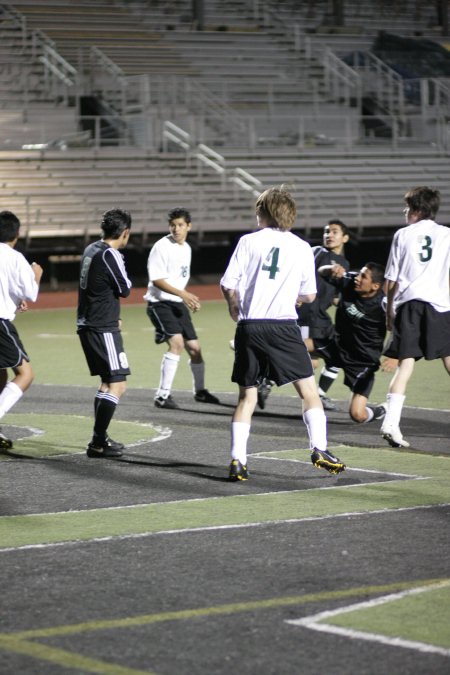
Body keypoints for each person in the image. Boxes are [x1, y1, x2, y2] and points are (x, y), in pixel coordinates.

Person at [220, 186, 346, 481]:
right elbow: (310, 296)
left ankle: (238, 461)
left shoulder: (248, 241)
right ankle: (320, 448)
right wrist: (293, 298)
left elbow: (228, 283)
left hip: (250, 327)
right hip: (284, 326)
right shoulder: (302, 247)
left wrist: (233, 306)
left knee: (246, 397)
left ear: (263, 212)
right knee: (308, 391)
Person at [381, 186, 450, 448]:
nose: (405, 211)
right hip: (439, 306)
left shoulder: (402, 235)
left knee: (405, 366)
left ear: (418, 210)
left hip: (409, 305)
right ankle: (390, 424)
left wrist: (389, 313)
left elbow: (391, 280)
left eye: (408, 207)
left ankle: (390, 423)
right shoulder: (446, 234)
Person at [145, 207, 219, 409]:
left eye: (180, 225)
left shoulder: (186, 248)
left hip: (177, 303)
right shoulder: (162, 246)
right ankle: (162, 395)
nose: (176, 229)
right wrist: (184, 294)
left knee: (195, 349)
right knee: (176, 343)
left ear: (188, 226)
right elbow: (157, 280)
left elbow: (178, 280)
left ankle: (200, 392)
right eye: (173, 225)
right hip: (159, 303)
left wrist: (187, 299)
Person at [77, 208, 132, 458]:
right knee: (118, 385)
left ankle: (100, 438)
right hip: (102, 327)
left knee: (107, 383)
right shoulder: (111, 253)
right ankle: (98, 442)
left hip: (88, 323)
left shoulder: (91, 249)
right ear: (125, 233)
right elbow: (125, 288)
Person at [318, 262, 388, 424]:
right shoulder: (349, 281)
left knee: (357, 415)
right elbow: (321, 272)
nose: (357, 278)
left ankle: (382, 410)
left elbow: (401, 328)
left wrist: (394, 356)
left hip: (362, 360)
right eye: (359, 273)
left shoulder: (382, 306)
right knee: (297, 344)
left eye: (363, 276)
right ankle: (266, 379)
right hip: (336, 345)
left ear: (375, 286)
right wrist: (331, 269)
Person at [297, 219, 351, 411]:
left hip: (320, 316)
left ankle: (319, 394)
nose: (329, 235)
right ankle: (265, 376)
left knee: (329, 358)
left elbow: (335, 296)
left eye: (334, 232)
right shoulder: (318, 252)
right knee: (303, 357)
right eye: (327, 231)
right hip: (305, 312)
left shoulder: (344, 263)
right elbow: (297, 272)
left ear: (345, 237)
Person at [0, 210, 43, 449]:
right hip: (0, 323)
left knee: (1, 372)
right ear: (17, 233)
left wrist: (16, 299)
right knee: (25, 374)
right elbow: (32, 293)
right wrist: (36, 275)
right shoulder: (16, 258)